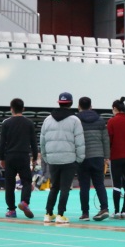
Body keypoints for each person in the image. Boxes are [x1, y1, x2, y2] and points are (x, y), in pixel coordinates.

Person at [41, 91, 85, 225]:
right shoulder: (75, 120)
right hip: (69, 159)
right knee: (65, 188)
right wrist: (80, 158)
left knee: (54, 187)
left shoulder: (47, 120)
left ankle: (48, 214)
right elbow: (79, 141)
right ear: (71, 103)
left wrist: (46, 157)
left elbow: (42, 141)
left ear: (59, 103)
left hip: (53, 159)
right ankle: (60, 214)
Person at [0, 97, 39, 219]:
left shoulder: (6, 123)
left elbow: (2, 143)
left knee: (10, 184)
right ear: (23, 109)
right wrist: (35, 157)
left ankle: (11, 210)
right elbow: (33, 142)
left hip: (10, 156)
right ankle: (25, 202)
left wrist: (1, 158)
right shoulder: (29, 123)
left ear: (11, 109)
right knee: (26, 181)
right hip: (23, 156)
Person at [75, 96, 111, 221]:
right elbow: (105, 139)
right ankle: (104, 208)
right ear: (91, 106)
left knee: (84, 186)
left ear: (79, 106)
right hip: (98, 156)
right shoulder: (100, 120)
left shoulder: (76, 120)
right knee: (99, 184)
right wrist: (106, 156)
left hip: (82, 157)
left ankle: (85, 213)